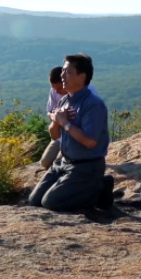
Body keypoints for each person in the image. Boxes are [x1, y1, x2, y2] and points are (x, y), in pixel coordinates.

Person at [29, 53, 114, 211]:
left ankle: (99, 187)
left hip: (86, 166)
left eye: (67, 72)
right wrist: (56, 120)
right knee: (34, 200)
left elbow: (90, 142)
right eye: (63, 71)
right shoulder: (64, 100)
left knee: (51, 203)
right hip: (64, 162)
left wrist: (66, 123)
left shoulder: (93, 104)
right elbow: (55, 136)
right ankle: (91, 186)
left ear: (82, 77)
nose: (62, 75)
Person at [39, 67, 99, 169]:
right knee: (45, 163)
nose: (57, 92)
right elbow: (49, 111)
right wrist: (57, 117)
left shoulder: (88, 92)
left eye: (59, 88)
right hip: (61, 136)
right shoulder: (54, 90)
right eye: (55, 89)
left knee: (62, 164)